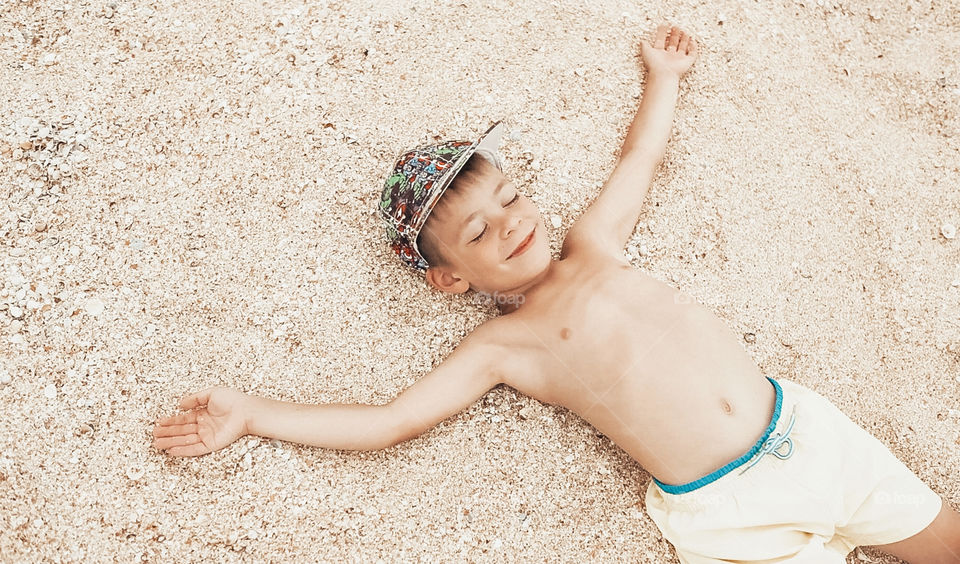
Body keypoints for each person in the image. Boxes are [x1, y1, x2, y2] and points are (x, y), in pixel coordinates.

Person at [152, 25, 960, 563]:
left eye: (507, 198)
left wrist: (664, 75)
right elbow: (390, 421)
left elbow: (639, 161)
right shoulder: (505, 347)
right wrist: (254, 414)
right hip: (728, 511)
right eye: (476, 235)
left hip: (807, 431)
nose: (507, 225)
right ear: (450, 280)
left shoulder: (594, 245)